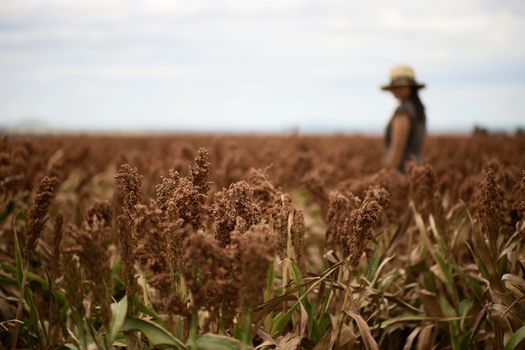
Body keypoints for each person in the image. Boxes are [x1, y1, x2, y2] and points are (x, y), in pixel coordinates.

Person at [381, 65, 426, 172]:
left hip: (401, 172)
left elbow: (397, 148)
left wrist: (386, 174)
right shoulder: (418, 109)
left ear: (410, 87)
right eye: (394, 87)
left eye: (400, 87)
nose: (395, 90)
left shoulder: (403, 111)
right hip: (415, 171)